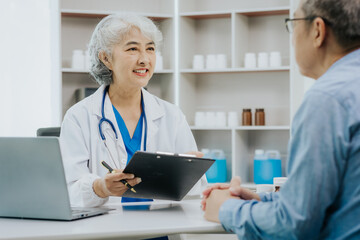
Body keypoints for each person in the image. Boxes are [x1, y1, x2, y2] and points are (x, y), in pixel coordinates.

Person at [202, 0, 360, 239]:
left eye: (293, 24)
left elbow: (293, 225)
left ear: (318, 31)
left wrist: (226, 209)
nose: (292, 37)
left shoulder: (328, 99)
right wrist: (263, 199)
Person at [60, 14, 205, 209]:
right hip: (106, 232)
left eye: (150, 49)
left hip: (159, 230)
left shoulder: (172, 116)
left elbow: (197, 191)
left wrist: (188, 173)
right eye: (133, 49)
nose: (144, 59)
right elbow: (67, 191)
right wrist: (100, 187)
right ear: (106, 58)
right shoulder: (79, 116)